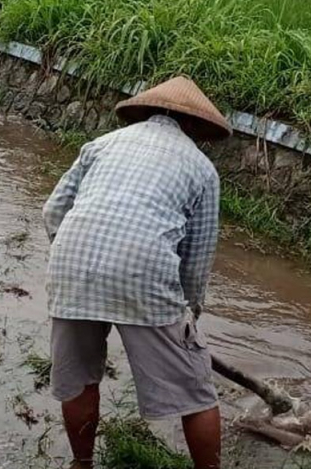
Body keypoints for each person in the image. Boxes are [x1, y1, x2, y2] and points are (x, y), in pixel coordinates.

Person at [42, 77, 231, 469]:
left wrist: (74, 259)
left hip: (71, 264)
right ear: (196, 126)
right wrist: (189, 312)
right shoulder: (201, 167)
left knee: (78, 377)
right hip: (143, 272)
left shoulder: (103, 144)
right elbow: (197, 256)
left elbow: (53, 212)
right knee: (196, 393)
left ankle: (81, 463)